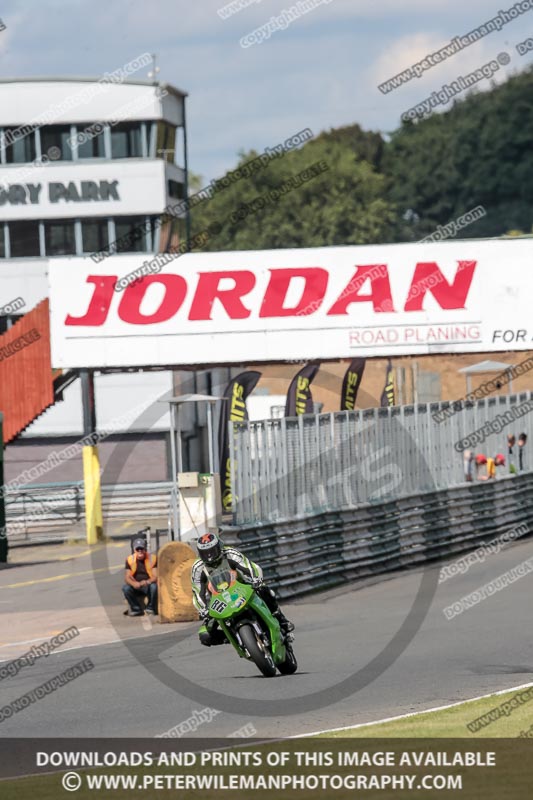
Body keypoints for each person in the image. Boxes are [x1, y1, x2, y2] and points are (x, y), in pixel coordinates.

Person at [191, 531, 294, 647]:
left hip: (242, 589)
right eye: (205, 553)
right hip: (220, 601)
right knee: (205, 635)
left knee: (265, 590)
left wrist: (256, 579)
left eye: (212, 551)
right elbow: (197, 591)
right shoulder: (198, 567)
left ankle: (281, 620)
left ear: (219, 547)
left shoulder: (230, 553)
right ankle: (234, 637)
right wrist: (203, 609)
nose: (209, 556)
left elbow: (250, 566)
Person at [122, 538, 158, 616]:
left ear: (145, 549)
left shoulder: (152, 558)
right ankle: (136, 609)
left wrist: (147, 582)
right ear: (134, 550)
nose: (140, 551)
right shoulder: (129, 559)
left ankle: (150, 608)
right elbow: (127, 577)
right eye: (137, 549)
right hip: (136, 586)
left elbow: (155, 576)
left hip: (147, 585)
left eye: (141, 548)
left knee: (154, 587)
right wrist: (134, 583)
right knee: (126, 588)